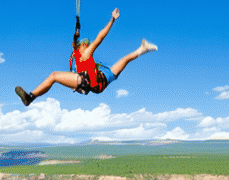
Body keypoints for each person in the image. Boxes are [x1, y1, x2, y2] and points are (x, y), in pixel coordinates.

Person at [15, 8, 157, 106]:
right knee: (53, 76)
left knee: (125, 59)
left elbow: (100, 37)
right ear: (80, 47)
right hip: (96, 81)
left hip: (99, 79)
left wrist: (112, 20)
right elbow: (76, 41)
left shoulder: (85, 53)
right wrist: (78, 29)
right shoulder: (78, 53)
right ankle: (30, 97)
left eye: (86, 43)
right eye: (84, 43)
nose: (86, 43)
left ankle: (143, 48)